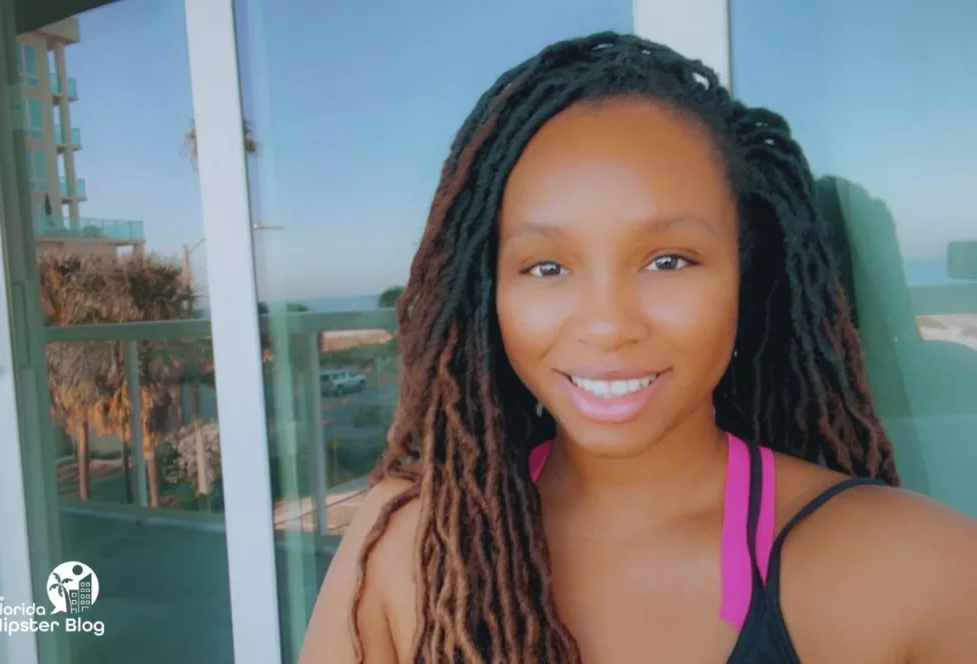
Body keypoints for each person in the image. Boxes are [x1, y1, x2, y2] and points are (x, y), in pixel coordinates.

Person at [299, 32, 977, 663]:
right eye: (546, 267)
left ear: (749, 275)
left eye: (669, 261)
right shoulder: (407, 550)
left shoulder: (918, 572)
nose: (607, 324)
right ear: (488, 296)